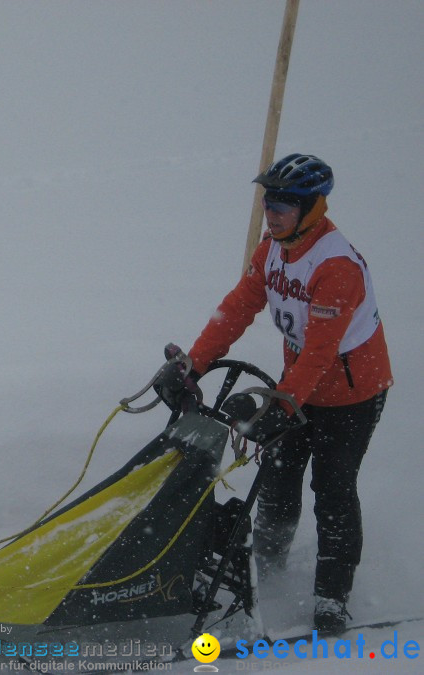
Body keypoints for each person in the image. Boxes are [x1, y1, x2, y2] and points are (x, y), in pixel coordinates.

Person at [155, 153, 392, 634]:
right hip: (298, 386)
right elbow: (238, 307)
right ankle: (269, 571)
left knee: (333, 490)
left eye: (285, 203)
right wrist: (194, 364)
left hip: (351, 397)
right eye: (268, 200)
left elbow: (322, 351)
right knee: (278, 482)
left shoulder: (336, 266)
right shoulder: (272, 250)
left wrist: (282, 403)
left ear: (313, 207)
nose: (272, 211)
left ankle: (331, 598)